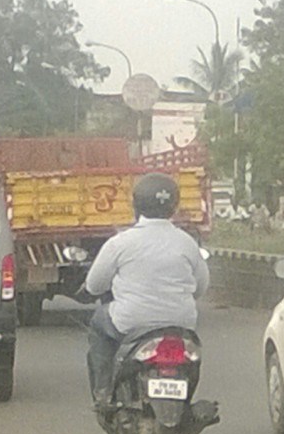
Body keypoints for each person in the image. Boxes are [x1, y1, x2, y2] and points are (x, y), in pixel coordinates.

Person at [84, 173, 210, 410]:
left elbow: (94, 285)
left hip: (129, 322)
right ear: (174, 206)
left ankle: (103, 393)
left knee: (99, 324)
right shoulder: (187, 243)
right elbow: (201, 286)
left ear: (136, 204)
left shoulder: (120, 243)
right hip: (181, 323)